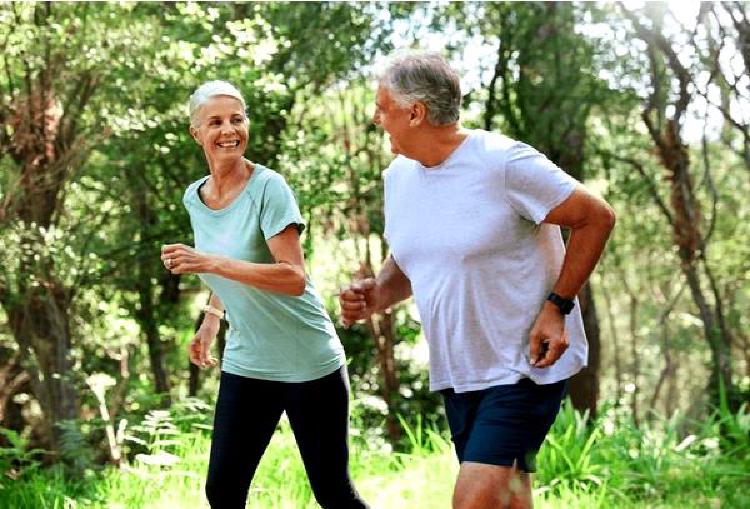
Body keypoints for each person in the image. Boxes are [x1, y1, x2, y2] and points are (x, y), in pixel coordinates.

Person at [339, 52, 615, 509]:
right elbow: (414, 262)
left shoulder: (503, 163)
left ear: (416, 112)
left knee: (473, 502)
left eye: (382, 107)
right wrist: (374, 296)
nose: (375, 118)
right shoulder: (400, 176)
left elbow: (595, 217)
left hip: (523, 363)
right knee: (509, 500)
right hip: (461, 369)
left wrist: (557, 307)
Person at [161, 80, 368, 509]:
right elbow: (233, 259)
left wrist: (208, 263)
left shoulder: (269, 188)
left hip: (307, 362)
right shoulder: (194, 198)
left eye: (237, 119)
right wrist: (212, 319)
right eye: (215, 122)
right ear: (195, 133)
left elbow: (293, 278)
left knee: (333, 493)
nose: (228, 130)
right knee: (223, 490)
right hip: (248, 361)